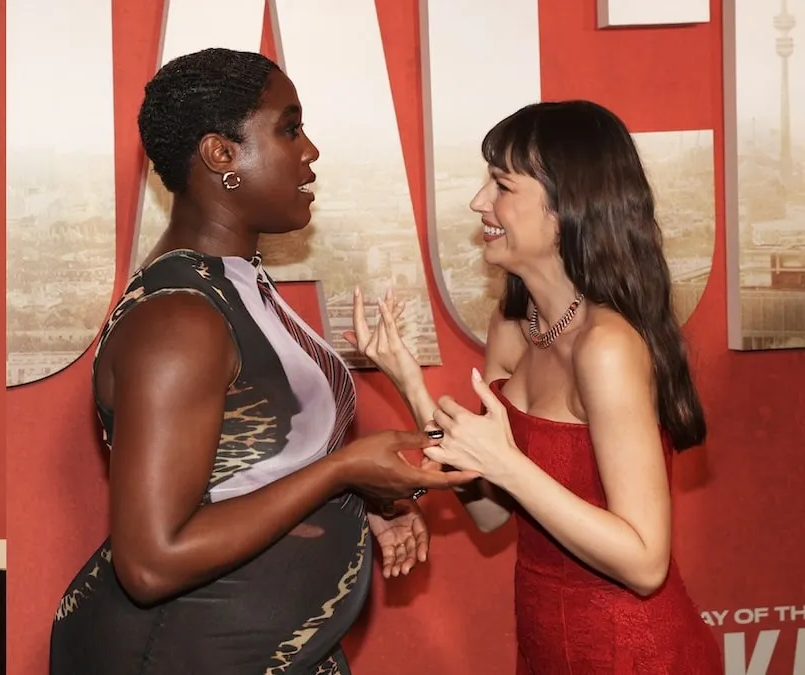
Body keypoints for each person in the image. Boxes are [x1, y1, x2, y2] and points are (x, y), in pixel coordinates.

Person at [47, 47, 477, 675]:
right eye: (289, 127)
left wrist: (355, 498)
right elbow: (151, 562)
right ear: (222, 154)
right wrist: (341, 474)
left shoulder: (235, 281)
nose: (310, 151)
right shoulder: (181, 320)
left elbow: (249, 473)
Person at [348, 100, 723, 673]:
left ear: (566, 208)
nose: (479, 202)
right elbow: (492, 513)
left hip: (630, 650)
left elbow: (645, 562)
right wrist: (411, 385)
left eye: (501, 184)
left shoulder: (606, 346)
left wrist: (507, 464)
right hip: (547, 641)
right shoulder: (515, 324)